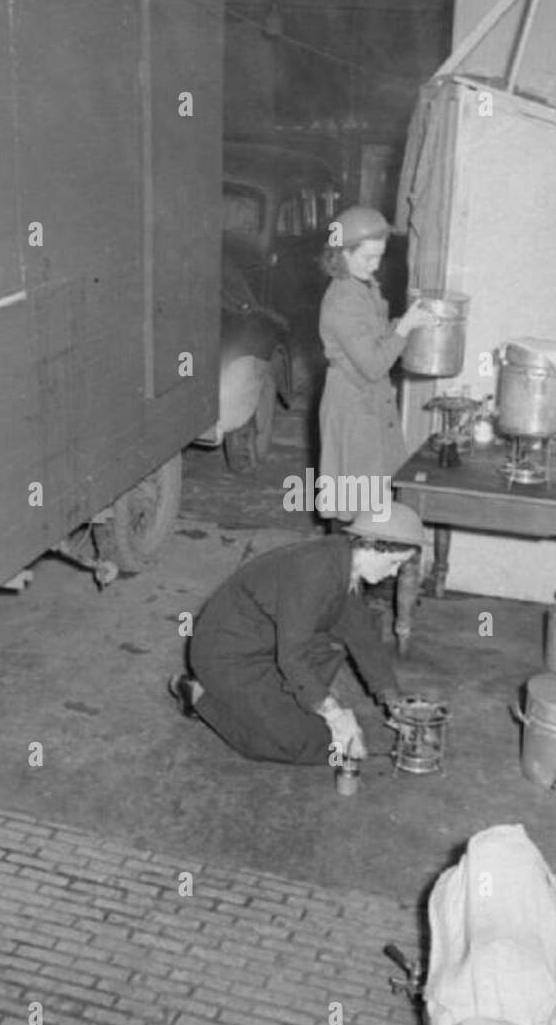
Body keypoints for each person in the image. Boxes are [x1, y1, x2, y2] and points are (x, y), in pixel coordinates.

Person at [168, 505, 425, 765]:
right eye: (394, 563)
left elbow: (361, 635)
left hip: (265, 644)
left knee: (332, 651)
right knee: (316, 744)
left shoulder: (344, 560)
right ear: (370, 545)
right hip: (226, 657)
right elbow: (292, 658)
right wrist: (334, 715)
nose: (393, 573)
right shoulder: (316, 571)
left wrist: (393, 699)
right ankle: (199, 695)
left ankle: (275, 707)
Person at [318, 206, 433, 522]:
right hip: (352, 406)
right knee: (357, 506)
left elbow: (376, 335)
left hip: (369, 401)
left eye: (380, 256)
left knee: (372, 498)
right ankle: (347, 564)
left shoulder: (363, 286)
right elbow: (372, 365)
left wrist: (406, 321)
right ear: (342, 254)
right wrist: (404, 329)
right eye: (368, 257)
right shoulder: (342, 301)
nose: (376, 265)